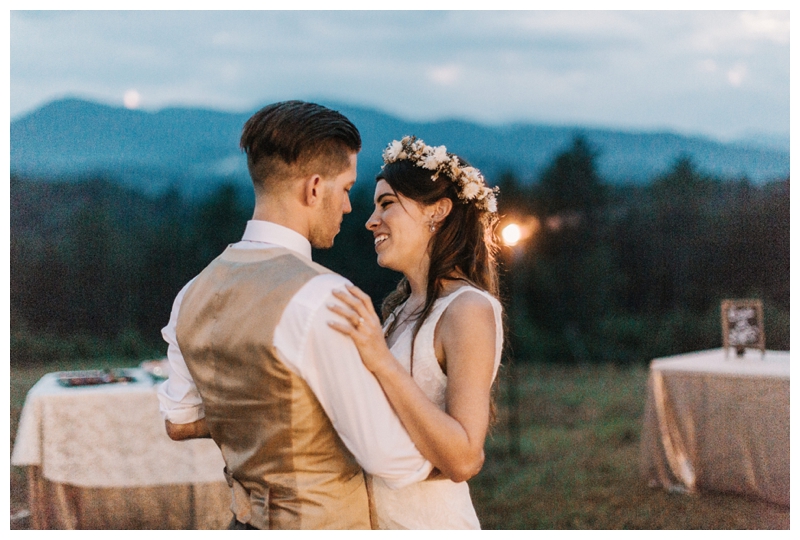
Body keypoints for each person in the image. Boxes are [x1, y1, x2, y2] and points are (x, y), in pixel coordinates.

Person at [157, 102, 433, 530]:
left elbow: (180, 421)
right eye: (345, 189)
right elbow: (389, 459)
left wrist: (259, 422)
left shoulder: (191, 293)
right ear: (315, 188)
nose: (347, 207)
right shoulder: (326, 298)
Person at [327, 135, 503, 529]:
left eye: (387, 204)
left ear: (436, 212)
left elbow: (464, 459)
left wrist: (380, 362)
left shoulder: (467, 310)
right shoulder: (400, 310)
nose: (371, 220)